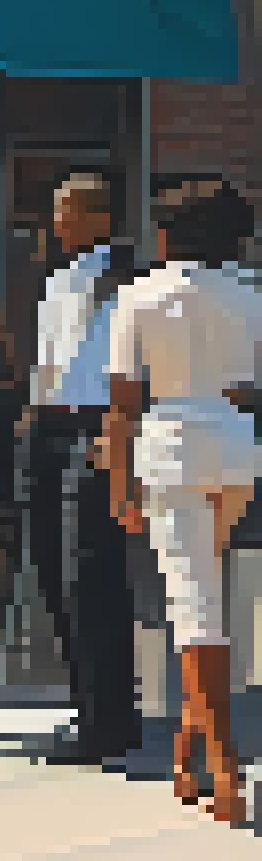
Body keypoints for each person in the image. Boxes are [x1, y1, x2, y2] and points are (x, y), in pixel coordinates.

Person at [103, 177, 262, 824]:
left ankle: (225, 766)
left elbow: (121, 405)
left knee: (195, 609)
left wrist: (118, 483)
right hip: (234, 448)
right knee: (207, 600)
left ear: (166, 235)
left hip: (169, 448)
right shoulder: (250, 296)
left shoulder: (138, 297)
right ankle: (187, 750)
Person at [25, 173, 144, 764]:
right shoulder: (58, 278)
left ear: (98, 215)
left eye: (66, 210)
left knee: (88, 572)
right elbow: (50, 359)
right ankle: (88, 705)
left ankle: (108, 719)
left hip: (99, 422)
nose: (56, 220)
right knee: (53, 565)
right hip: (51, 423)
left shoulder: (127, 275)